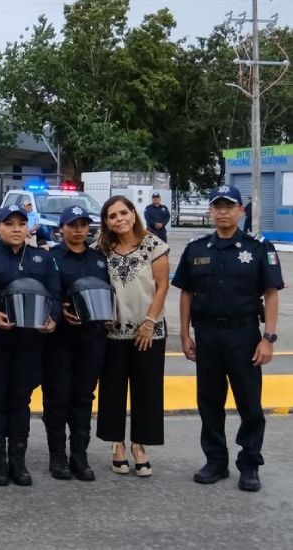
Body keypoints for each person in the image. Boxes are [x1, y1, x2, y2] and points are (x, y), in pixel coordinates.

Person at [173, 185, 283, 492]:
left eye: (229, 206)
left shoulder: (259, 247)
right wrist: (184, 334)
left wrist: (268, 338)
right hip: (206, 335)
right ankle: (216, 461)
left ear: (240, 211)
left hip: (244, 335)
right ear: (210, 211)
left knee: (249, 404)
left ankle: (249, 464)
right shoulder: (196, 249)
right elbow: (186, 294)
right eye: (217, 206)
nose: (223, 211)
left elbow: (271, 294)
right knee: (209, 402)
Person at [0, 204, 60, 486]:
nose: (16, 228)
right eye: (9, 223)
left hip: (29, 342)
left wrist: (52, 318)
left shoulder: (42, 260)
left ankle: (18, 461)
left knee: (21, 400)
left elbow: (55, 292)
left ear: (29, 227)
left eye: (21, 223)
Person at [95, 195, 170, 478]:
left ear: (133, 213)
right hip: (114, 333)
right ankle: (117, 444)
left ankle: (140, 445)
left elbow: (162, 286)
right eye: (112, 216)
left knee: (147, 391)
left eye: (123, 213)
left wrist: (150, 321)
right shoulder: (101, 249)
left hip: (149, 331)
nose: (119, 219)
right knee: (113, 390)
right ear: (107, 222)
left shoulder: (154, 245)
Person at [43, 206, 109, 482]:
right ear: (61, 229)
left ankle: (79, 456)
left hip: (91, 338)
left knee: (84, 397)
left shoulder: (98, 259)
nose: (79, 229)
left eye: (84, 224)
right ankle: (57, 456)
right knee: (57, 398)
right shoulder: (51, 258)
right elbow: (47, 293)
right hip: (60, 339)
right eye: (73, 225)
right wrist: (60, 312)